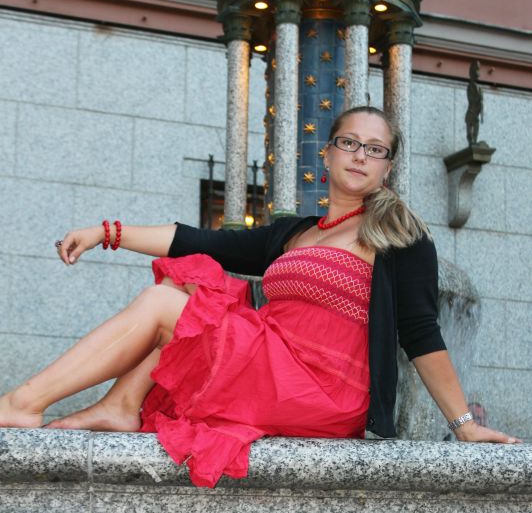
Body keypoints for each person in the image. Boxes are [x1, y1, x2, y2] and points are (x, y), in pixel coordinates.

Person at [0, 106, 520, 488]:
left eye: (376, 149)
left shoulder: (399, 236)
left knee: (168, 304)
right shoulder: (293, 233)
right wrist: (107, 232)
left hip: (324, 387)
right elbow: (198, 241)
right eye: (349, 142)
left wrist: (464, 426)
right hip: (270, 361)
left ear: (388, 166)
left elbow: (421, 332)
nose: (361, 155)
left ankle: (23, 404)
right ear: (327, 153)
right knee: (181, 288)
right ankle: (119, 405)